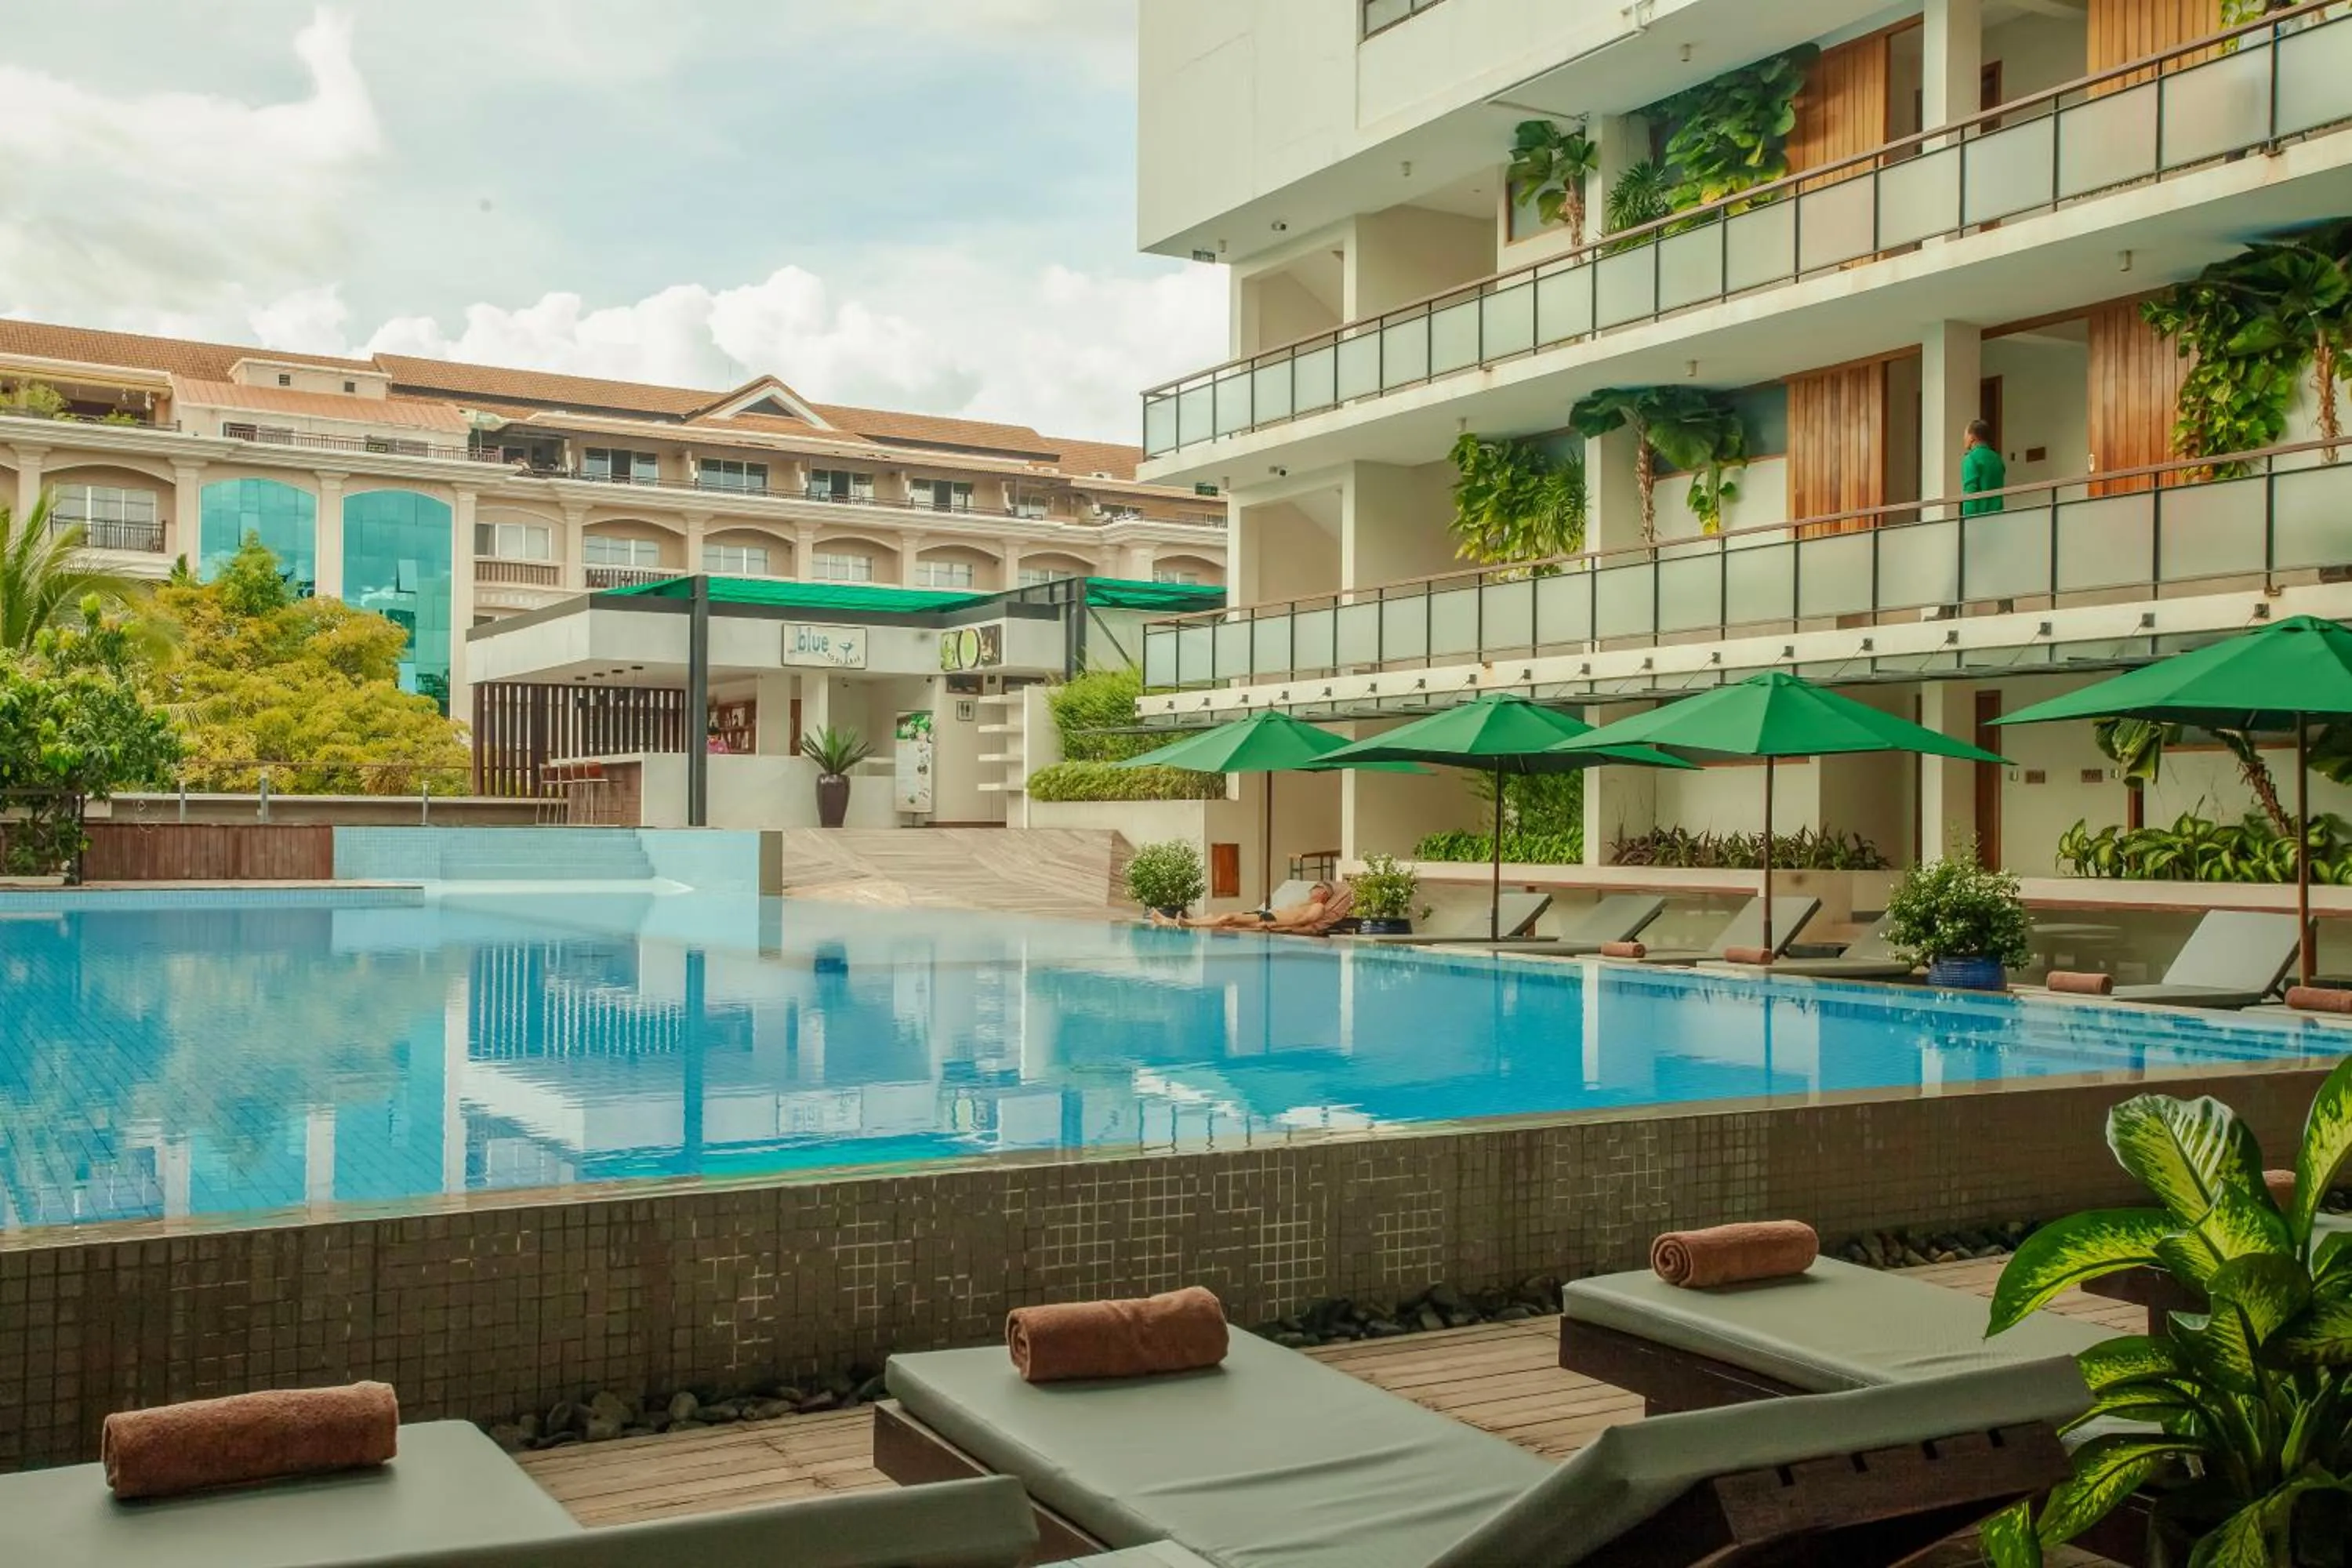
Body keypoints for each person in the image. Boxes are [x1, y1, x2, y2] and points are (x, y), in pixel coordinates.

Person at [1151, 880, 1353, 933]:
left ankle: (1188, 925)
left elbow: (1302, 922)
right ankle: (1171, 922)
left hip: (1268, 920)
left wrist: (1270, 927)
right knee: (1218, 916)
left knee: (1227, 919)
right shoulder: (1307, 903)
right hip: (1267, 915)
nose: (1312, 892)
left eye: (1317, 891)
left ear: (1324, 894)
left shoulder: (1317, 908)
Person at [1961, 418, 2005, 516]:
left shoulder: (1971, 459)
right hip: (1998, 516)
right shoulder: (1997, 459)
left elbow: (1970, 493)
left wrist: (1968, 522)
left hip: (1979, 518)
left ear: (1972, 437)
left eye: (1966, 435)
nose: (1964, 438)